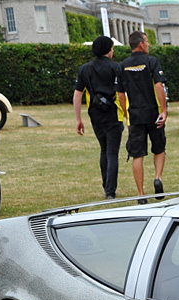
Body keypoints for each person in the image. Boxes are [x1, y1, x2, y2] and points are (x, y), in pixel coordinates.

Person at [73, 36, 127, 199]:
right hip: (113, 113)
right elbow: (121, 93)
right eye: (112, 48)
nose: (113, 51)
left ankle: (106, 186)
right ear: (107, 50)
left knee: (104, 150)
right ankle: (110, 190)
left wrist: (78, 119)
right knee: (112, 153)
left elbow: (77, 94)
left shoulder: (84, 69)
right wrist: (127, 114)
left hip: (95, 113)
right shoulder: (116, 68)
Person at [120, 31, 167, 199]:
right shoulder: (152, 61)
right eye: (146, 41)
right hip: (153, 113)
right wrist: (163, 110)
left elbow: (120, 94)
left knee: (137, 154)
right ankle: (157, 177)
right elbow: (159, 86)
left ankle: (141, 194)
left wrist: (126, 115)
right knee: (159, 149)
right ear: (140, 44)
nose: (148, 44)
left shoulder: (122, 65)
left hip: (135, 115)